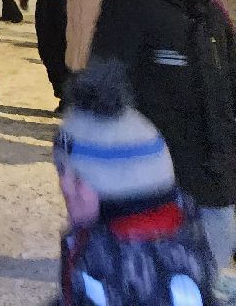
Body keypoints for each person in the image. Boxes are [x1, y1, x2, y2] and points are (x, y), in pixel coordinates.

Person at [90, 0, 236, 286]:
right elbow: (107, 75)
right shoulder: (129, 6)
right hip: (158, 151)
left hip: (214, 148)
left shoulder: (212, 10)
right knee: (167, 247)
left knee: (218, 231)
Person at [52, 59, 217, 306]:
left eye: (78, 178)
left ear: (122, 194)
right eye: (60, 170)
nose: (64, 186)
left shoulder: (148, 270)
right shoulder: (107, 242)